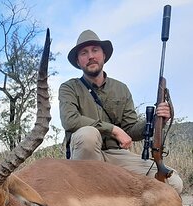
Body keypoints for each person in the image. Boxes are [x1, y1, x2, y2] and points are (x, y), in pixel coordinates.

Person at [58, 30, 183, 194]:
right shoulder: (69, 87)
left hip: (116, 155)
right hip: (85, 157)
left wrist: (157, 121)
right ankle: (89, 199)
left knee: (173, 183)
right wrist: (113, 130)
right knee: (88, 135)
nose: (90, 56)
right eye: (84, 53)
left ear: (104, 55)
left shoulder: (121, 89)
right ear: (78, 61)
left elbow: (131, 129)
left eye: (95, 50)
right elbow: (70, 120)